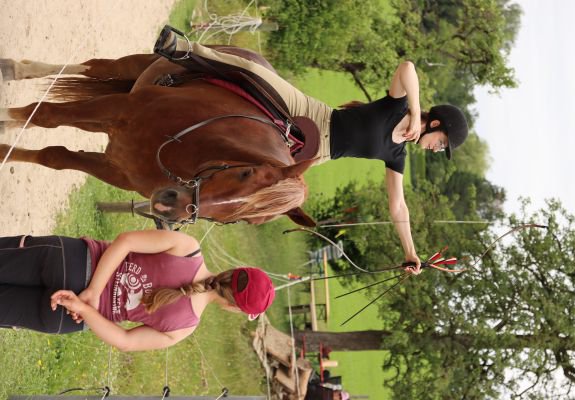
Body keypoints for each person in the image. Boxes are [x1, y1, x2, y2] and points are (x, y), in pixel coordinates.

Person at [153, 26, 470, 274]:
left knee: (262, 204)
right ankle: (182, 49)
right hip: (312, 114)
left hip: (309, 156)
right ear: (434, 123)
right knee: (253, 71)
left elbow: (399, 207)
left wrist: (410, 252)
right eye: (440, 143)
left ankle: (185, 206)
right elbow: (408, 68)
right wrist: (414, 112)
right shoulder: (396, 106)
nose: (434, 149)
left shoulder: (397, 156)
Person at [0, 230, 275, 351]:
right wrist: (86, 306)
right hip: (69, 316)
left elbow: (126, 241)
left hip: (71, 261)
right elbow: (125, 341)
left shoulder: (187, 248)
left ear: (237, 270)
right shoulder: (184, 328)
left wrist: (94, 288)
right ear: (233, 307)